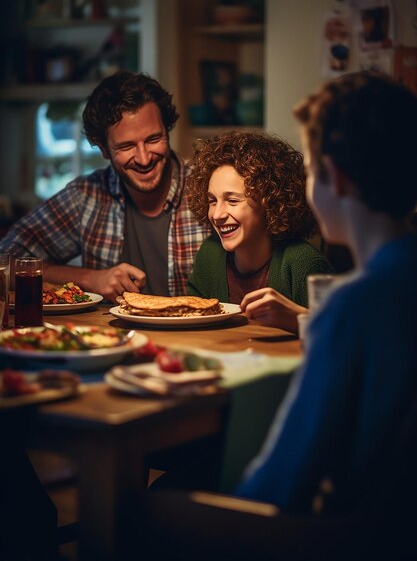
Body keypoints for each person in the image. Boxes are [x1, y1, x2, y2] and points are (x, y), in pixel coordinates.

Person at [235, 72, 417, 518]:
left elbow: (284, 479)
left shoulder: (352, 306)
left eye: (310, 170)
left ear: (333, 177)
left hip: (359, 536)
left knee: (146, 513)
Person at [0, 71, 210, 301]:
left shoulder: (209, 187)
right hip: (111, 336)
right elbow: (5, 262)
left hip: (201, 336)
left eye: (153, 139)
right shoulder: (86, 196)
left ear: (167, 130)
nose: (143, 158)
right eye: (126, 146)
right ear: (103, 149)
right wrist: (91, 279)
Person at [186, 131, 332, 316]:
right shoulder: (209, 254)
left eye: (232, 201)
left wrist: (296, 319)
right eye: (212, 201)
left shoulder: (303, 263)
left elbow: (343, 338)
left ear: (269, 202)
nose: (217, 214)